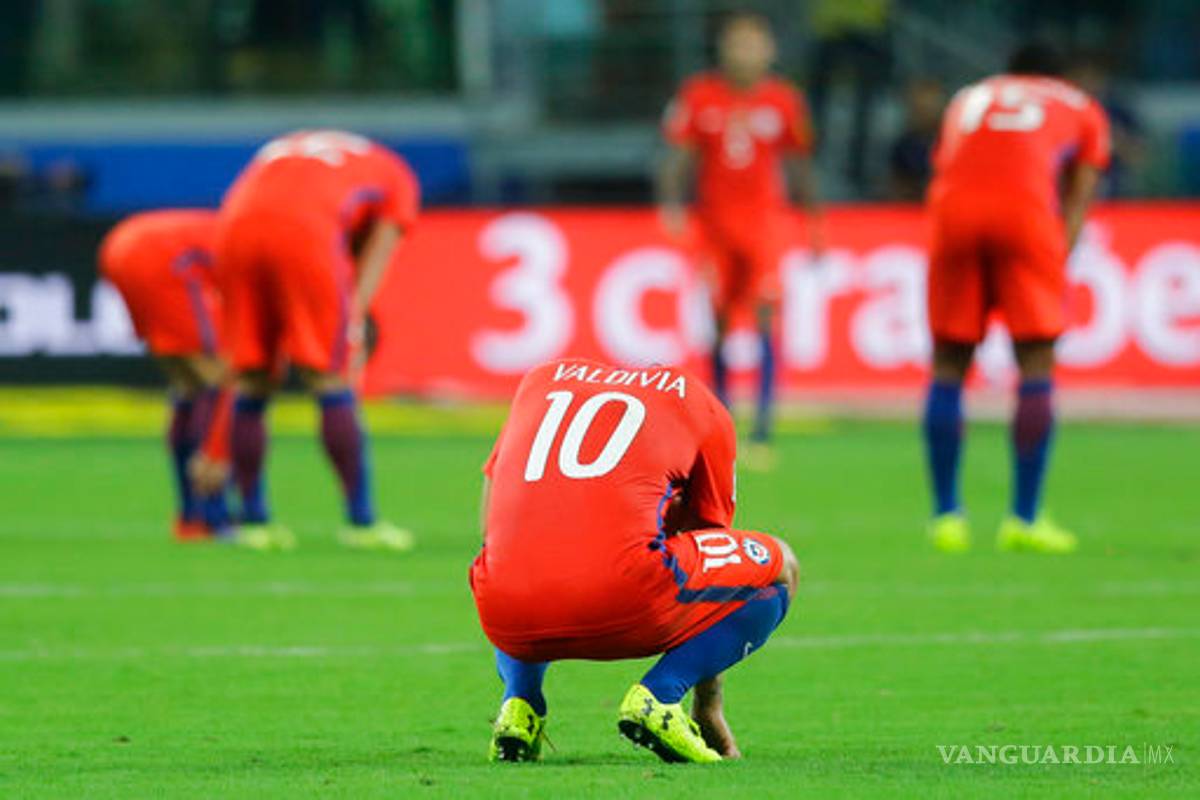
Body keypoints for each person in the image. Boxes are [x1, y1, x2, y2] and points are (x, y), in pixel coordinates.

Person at [471, 358, 800, 763]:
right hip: (625, 599)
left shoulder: (540, 379)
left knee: (516, 553)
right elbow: (711, 544)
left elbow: (494, 504)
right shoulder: (703, 405)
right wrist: (709, 707)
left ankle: (519, 705)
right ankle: (661, 696)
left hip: (503, 609)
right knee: (781, 565)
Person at [923, 42, 1111, 554]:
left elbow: (947, 163)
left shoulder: (968, 97)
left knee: (948, 365)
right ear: (1062, 75)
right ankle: (1024, 519)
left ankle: (947, 518)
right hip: (1026, 218)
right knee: (1035, 362)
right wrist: (1057, 257)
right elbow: (1078, 194)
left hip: (953, 217)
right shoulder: (1079, 104)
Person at [198, 129, 418, 552]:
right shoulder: (398, 175)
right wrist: (352, 318)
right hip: (307, 235)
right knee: (329, 380)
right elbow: (378, 252)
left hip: (231, 230)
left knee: (253, 378)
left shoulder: (289, 146)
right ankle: (362, 522)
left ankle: (255, 522)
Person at [658, 12, 824, 466]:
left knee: (767, 316)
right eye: (737, 43)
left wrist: (813, 223)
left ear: (769, 50)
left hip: (764, 226)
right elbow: (679, 157)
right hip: (715, 227)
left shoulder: (784, 101)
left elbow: (799, 165)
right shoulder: (699, 96)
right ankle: (721, 424)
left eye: (753, 44)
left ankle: (764, 428)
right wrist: (671, 203)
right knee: (719, 323)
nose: (745, 52)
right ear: (723, 50)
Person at [99, 209, 232, 541]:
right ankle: (212, 512)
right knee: (219, 377)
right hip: (164, 255)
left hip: (121, 243)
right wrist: (218, 451)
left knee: (187, 383)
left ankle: (190, 515)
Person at [887, 77, 944, 202]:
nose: (923, 113)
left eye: (928, 107)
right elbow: (897, 188)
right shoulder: (903, 146)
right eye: (918, 108)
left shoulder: (950, 143)